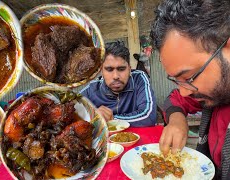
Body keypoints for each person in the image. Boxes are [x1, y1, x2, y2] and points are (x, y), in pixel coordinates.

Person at [150, 0, 230, 179]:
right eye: (177, 80)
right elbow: (177, 99)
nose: (184, 91)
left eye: (188, 77)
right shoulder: (218, 91)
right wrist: (177, 119)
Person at [80, 41, 157, 127]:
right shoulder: (92, 89)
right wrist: (93, 116)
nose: (116, 76)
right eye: (109, 69)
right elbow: (71, 109)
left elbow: (149, 117)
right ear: (101, 71)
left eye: (121, 69)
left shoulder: (139, 79)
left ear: (129, 69)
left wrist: (112, 120)